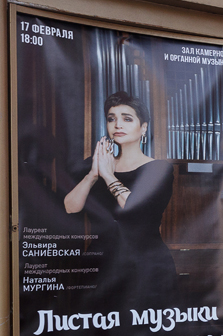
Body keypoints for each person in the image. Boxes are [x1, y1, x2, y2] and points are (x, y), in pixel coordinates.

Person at [63, 91, 178, 307]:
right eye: (111, 118)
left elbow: (134, 210)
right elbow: (70, 207)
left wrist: (108, 175)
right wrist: (93, 175)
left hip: (145, 264)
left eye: (127, 118)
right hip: (100, 263)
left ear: (143, 127)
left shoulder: (158, 169)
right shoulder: (97, 164)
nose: (117, 125)